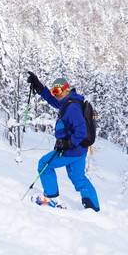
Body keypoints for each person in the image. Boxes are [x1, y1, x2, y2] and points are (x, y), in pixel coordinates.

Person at [27, 71, 100, 212]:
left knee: (44, 164)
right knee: (79, 179)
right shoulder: (70, 101)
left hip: (71, 150)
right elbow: (52, 100)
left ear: (67, 88)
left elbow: (81, 131)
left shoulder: (72, 107)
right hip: (80, 150)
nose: (57, 94)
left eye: (59, 90)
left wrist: (68, 143)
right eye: (54, 91)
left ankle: (51, 197)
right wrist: (39, 87)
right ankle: (93, 209)